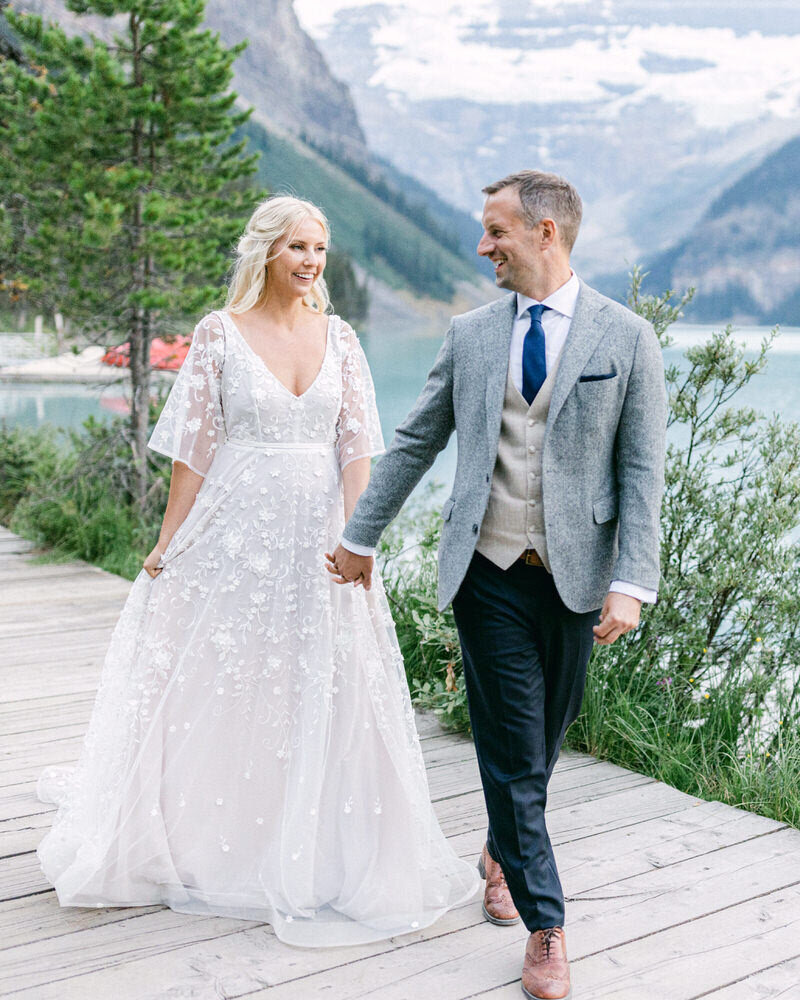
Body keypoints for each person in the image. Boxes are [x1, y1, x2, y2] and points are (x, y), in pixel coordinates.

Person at [36, 194, 478, 947]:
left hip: (322, 537)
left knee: (319, 676)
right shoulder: (219, 333)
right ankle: (206, 841)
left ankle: (311, 849)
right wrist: (167, 541)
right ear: (266, 252)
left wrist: (360, 541)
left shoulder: (341, 339)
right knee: (228, 676)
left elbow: (357, 452)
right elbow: (194, 455)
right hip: (234, 530)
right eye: (297, 247)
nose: (310, 261)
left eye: (320, 248)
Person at [327, 170, 667, 998]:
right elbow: (413, 442)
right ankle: (547, 927)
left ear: (545, 234)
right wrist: (360, 534)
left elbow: (642, 471)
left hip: (578, 579)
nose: (484, 247)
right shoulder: (471, 334)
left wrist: (633, 582)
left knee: (540, 746)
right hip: (485, 572)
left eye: (497, 232)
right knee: (513, 752)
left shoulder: (627, 340)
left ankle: (498, 848)